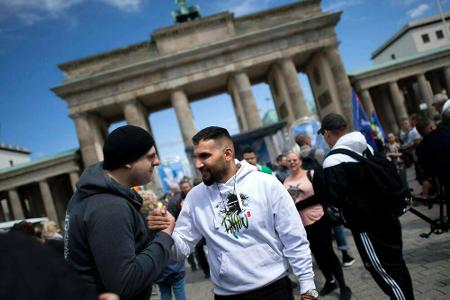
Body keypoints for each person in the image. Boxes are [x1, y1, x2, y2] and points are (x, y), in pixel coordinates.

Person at [149, 126, 318, 300]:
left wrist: (307, 286)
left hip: (274, 288)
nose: (198, 164)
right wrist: (166, 232)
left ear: (228, 154)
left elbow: (294, 237)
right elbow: (180, 251)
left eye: (205, 156)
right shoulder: (195, 197)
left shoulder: (266, 184)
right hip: (226, 294)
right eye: (196, 157)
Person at [64, 125, 175, 300]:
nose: (157, 161)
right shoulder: (109, 207)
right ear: (128, 161)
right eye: (150, 156)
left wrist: (148, 232)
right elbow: (126, 283)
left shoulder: (90, 196)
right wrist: (165, 236)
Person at [319, 113, 414, 300]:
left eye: (323, 134)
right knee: (397, 267)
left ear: (328, 133)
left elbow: (334, 202)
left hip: (366, 227)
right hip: (388, 218)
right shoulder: (366, 146)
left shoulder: (333, 160)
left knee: (385, 274)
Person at [284, 152, 352, 300]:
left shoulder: (311, 174)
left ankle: (344, 287)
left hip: (319, 219)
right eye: (289, 161)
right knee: (317, 255)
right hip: (302, 225)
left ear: (300, 161)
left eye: (294, 160)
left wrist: (298, 205)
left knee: (328, 253)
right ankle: (330, 281)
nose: (292, 163)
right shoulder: (285, 181)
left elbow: (322, 195)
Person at [296, 133, 355, 268]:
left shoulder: (297, 157)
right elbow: (326, 168)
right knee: (337, 224)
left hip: (310, 195)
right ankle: (345, 255)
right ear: (306, 140)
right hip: (325, 191)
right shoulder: (317, 152)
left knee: (321, 227)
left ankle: (328, 258)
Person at [416, 109, 450, 219]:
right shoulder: (445, 132)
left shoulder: (421, 149)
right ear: (431, 127)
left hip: (445, 180)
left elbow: (428, 170)